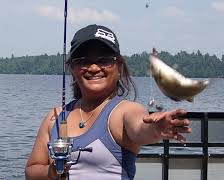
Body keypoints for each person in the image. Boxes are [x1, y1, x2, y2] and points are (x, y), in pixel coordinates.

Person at [25, 24, 192, 180]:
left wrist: (156, 129)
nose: (94, 68)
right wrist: (51, 172)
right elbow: (31, 170)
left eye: (104, 60)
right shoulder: (54, 117)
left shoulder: (125, 111)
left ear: (119, 66)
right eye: (83, 61)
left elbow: (140, 129)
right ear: (72, 68)